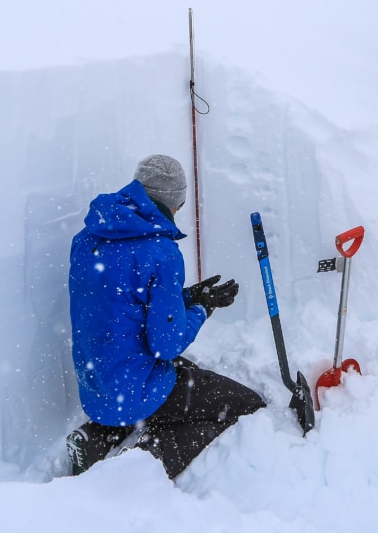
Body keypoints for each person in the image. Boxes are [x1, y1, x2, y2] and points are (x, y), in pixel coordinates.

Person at [65, 154, 264, 479]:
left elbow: (123, 302)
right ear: (173, 202)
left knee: (188, 374)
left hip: (96, 384)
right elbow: (166, 346)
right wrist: (203, 309)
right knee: (243, 403)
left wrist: (187, 297)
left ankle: (93, 439)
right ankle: (137, 469)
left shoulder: (88, 238)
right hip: (133, 389)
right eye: (180, 205)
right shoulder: (161, 252)